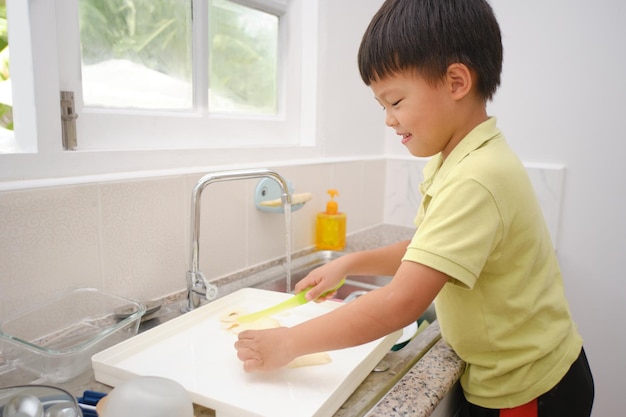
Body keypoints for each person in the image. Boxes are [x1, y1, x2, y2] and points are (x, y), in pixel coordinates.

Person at [235, 0, 595, 415]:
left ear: (456, 81)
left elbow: (398, 304)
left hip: (529, 390)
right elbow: (428, 251)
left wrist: (288, 343)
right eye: (382, 105)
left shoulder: (476, 177)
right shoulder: (456, 159)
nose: (388, 119)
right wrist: (350, 264)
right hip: (508, 376)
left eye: (396, 101)